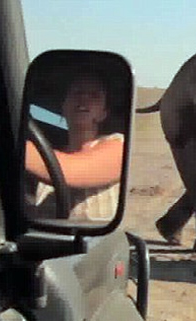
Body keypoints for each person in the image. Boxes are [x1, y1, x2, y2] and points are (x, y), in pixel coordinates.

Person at [25, 69, 124, 220]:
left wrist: (11, 142)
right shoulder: (49, 158)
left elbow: (65, 171)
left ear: (103, 113)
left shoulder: (118, 146)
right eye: (77, 92)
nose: (84, 98)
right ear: (63, 107)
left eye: (94, 95)